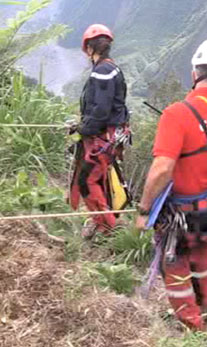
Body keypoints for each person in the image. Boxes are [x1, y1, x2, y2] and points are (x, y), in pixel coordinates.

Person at [135, 38, 207, 331]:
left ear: (194, 72)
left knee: (175, 264)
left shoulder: (177, 114)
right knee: (201, 254)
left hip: (184, 216)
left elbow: (162, 169)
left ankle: (193, 326)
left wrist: (144, 209)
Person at [69, 24, 130, 239]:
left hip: (102, 137)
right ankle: (103, 223)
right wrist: (83, 126)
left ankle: (109, 227)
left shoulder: (103, 71)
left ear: (88, 48)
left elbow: (101, 109)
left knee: (87, 180)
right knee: (99, 179)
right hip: (108, 136)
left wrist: (84, 128)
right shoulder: (110, 68)